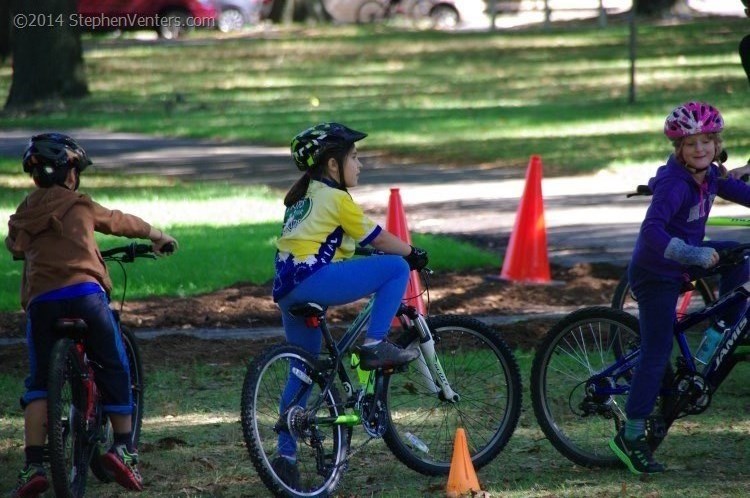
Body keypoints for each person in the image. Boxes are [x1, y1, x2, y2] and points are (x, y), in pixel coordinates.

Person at [6, 133, 179, 497]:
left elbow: (16, 248)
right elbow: (118, 222)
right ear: (71, 174)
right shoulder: (81, 205)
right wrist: (157, 235)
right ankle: (123, 449)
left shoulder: (23, 212)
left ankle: (33, 466)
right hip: (85, 296)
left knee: (38, 384)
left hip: (42, 303)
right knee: (114, 364)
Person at [271, 122, 428, 486]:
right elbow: (378, 237)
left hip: (287, 287)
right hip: (313, 279)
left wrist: (364, 249)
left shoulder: (304, 198)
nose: (360, 164)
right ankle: (375, 344)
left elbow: (326, 239)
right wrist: (413, 252)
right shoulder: (337, 199)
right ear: (332, 165)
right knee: (395, 268)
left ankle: (284, 456)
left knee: (303, 372)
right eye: (354, 157)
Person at [610, 102, 750, 475]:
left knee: (741, 257)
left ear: (717, 143)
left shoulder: (711, 177)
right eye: (691, 144)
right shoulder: (676, 185)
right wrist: (691, 253)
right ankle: (632, 434)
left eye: (707, 141)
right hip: (655, 271)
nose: (700, 148)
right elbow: (651, 232)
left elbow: (744, 193)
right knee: (657, 351)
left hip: (684, 261)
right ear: (679, 149)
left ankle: (718, 334)